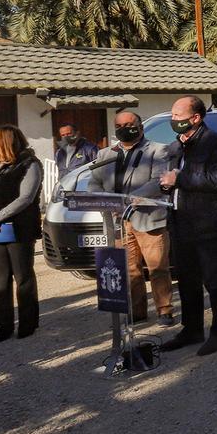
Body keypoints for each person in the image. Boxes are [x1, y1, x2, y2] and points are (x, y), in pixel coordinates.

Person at [158, 96, 217, 356]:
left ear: (196, 118)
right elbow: (171, 180)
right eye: (172, 116)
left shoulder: (216, 143)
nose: (174, 121)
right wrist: (166, 185)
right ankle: (192, 329)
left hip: (209, 223)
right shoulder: (176, 146)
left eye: (178, 117)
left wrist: (180, 178)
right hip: (181, 223)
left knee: (214, 281)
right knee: (187, 281)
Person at [88, 111, 174, 326]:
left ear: (140, 126)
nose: (124, 128)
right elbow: (94, 183)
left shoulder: (157, 150)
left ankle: (164, 310)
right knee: (130, 270)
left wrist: (129, 199)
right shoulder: (105, 154)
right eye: (120, 125)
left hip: (148, 218)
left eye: (129, 124)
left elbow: (158, 182)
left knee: (157, 268)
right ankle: (137, 311)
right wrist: (107, 202)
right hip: (118, 222)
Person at [0, 125, 42, 341]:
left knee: (23, 277)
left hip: (19, 229)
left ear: (5, 142)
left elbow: (25, 198)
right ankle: (3, 326)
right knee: (0, 280)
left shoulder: (30, 164)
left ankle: (28, 324)